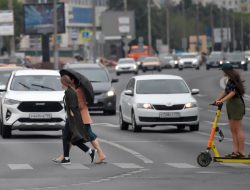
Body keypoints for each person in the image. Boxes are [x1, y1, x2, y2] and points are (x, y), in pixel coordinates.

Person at [53, 76, 106, 164]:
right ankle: (67, 156)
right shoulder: (73, 91)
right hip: (75, 118)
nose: (60, 84)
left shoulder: (75, 91)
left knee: (85, 136)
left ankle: (99, 153)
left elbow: (78, 106)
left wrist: (72, 112)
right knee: (71, 138)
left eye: (61, 82)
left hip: (78, 118)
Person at [215, 63, 246, 158]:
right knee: (233, 129)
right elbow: (225, 91)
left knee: (238, 128)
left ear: (227, 71)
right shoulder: (230, 79)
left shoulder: (234, 79)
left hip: (236, 104)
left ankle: (241, 152)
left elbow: (233, 93)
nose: (222, 72)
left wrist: (222, 101)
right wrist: (217, 100)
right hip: (231, 104)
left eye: (223, 70)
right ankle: (235, 151)